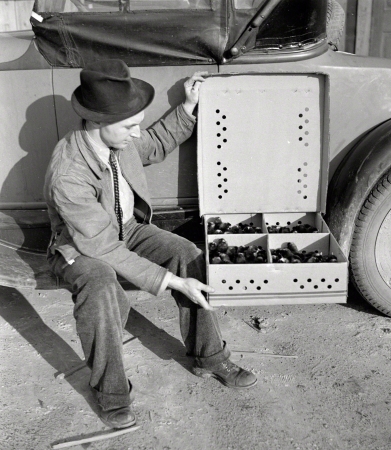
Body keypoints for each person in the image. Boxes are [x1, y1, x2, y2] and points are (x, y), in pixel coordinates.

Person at [43, 59, 257, 430]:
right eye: (130, 125)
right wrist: (171, 282)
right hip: (79, 247)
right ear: (96, 121)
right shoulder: (68, 172)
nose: (136, 131)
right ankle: (111, 393)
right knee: (100, 284)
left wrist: (187, 107)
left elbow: (154, 143)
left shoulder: (118, 138)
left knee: (186, 254)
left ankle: (210, 357)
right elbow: (101, 247)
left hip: (127, 228)